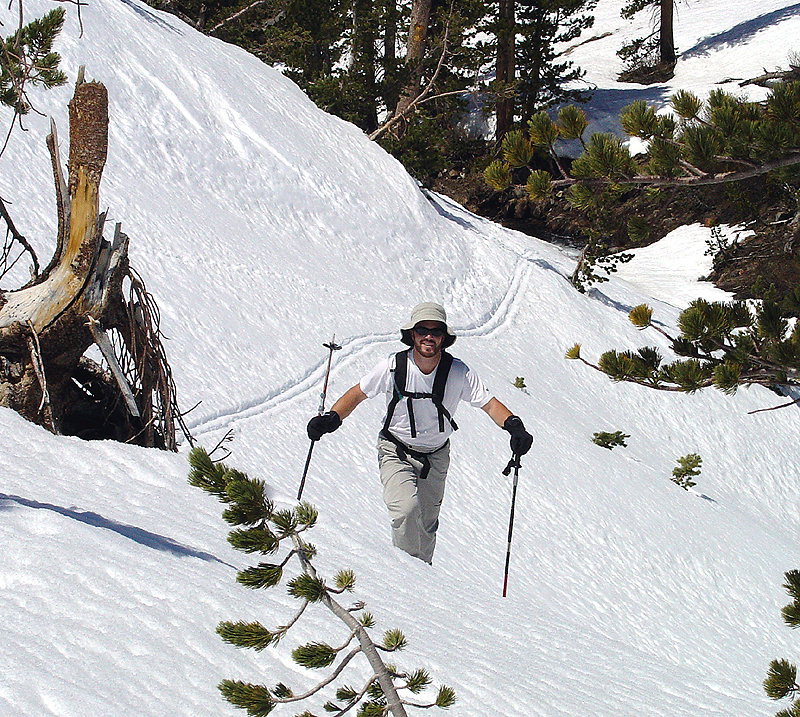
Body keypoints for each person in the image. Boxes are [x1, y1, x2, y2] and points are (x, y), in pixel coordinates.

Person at [307, 302, 532, 564]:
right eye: (422, 330)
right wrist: (332, 418)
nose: (429, 336)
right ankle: (405, 574)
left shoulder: (458, 372)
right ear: (412, 334)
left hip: (436, 456)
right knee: (405, 509)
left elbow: (489, 404)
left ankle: (423, 577)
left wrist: (514, 426)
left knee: (426, 523)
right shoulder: (394, 366)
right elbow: (358, 393)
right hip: (395, 449)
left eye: (436, 332)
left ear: (444, 338)